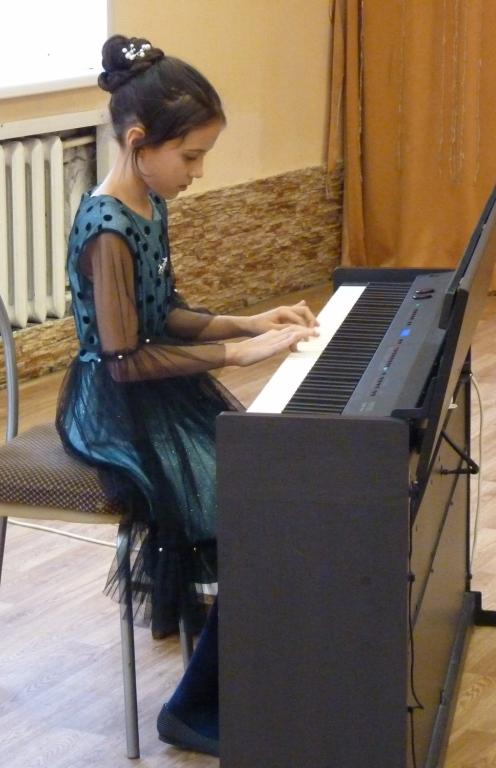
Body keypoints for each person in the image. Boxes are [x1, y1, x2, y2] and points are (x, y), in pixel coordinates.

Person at [56, 34, 318, 755]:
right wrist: (237, 353)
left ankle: (244, 662)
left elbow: (164, 312)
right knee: (243, 505)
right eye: (192, 157)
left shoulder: (149, 201)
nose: (198, 174)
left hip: (155, 386)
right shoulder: (107, 227)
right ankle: (192, 706)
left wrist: (248, 321)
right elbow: (123, 359)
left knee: (263, 486)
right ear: (139, 142)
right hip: (114, 405)